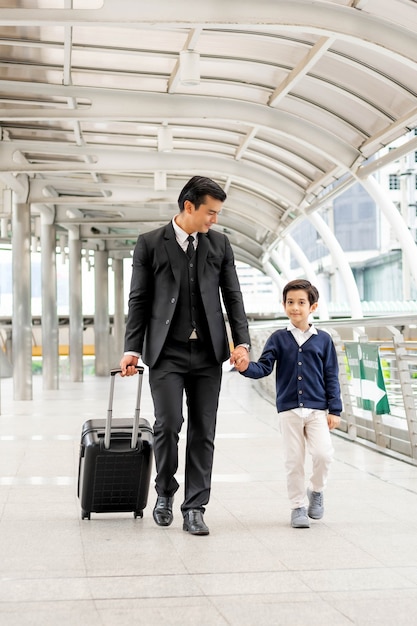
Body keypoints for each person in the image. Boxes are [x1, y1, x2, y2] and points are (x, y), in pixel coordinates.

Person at [120, 176, 250, 536]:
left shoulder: (220, 245)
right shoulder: (149, 244)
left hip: (209, 354)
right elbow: (139, 300)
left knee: (203, 430)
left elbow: (233, 297)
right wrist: (131, 349)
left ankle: (195, 507)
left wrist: (242, 343)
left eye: (218, 213)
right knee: (168, 424)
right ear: (188, 206)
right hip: (167, 352)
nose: (215, 220)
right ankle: (164, 492)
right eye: (211, 212)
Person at [234, 279, 341, 528]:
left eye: (301, 302)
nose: (295, 307)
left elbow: (331, 375)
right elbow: (263, 367)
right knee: (293, 460)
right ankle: (297, 507)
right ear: (283, 305)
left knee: (324, 455)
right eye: (290, 302)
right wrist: (245, 367)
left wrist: (334, 409)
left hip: (316, 410)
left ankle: (316, 491)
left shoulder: (323, 340)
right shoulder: (278, 338)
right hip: (289, 409)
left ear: (312, 307)